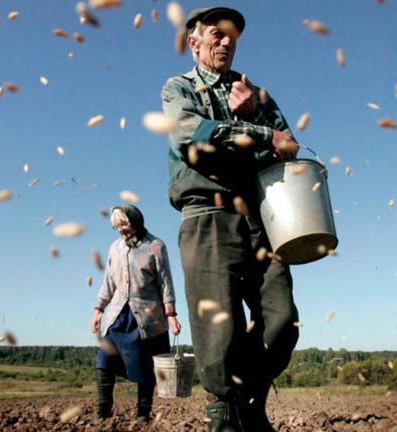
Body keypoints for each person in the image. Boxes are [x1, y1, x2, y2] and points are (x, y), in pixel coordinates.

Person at [162, 6, 300, 432]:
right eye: (215, 34)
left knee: (280, 319)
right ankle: (224, 415)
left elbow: (289, 145)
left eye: (232, 37)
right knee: (217, 331)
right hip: (207, 213)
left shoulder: (254, 93)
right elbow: (193, 139)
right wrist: (253, 129)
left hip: (261, 215)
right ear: (194, 43)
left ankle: (251, 401)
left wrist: (255, 116)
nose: (226, 42)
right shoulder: (177, 89)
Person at [90, 204, 182, 423]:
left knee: (145, 367)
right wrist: (98, 310)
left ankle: (143, 414)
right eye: (116, 226)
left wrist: (170, 314)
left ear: (135, 221)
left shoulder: (156, 247)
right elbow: (108, 282)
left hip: (147, 318)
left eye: (123, 224)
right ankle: (103, 412)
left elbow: (165, 283)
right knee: (104, 360)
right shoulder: (115, 248)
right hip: (118, 315)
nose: (120, 230)